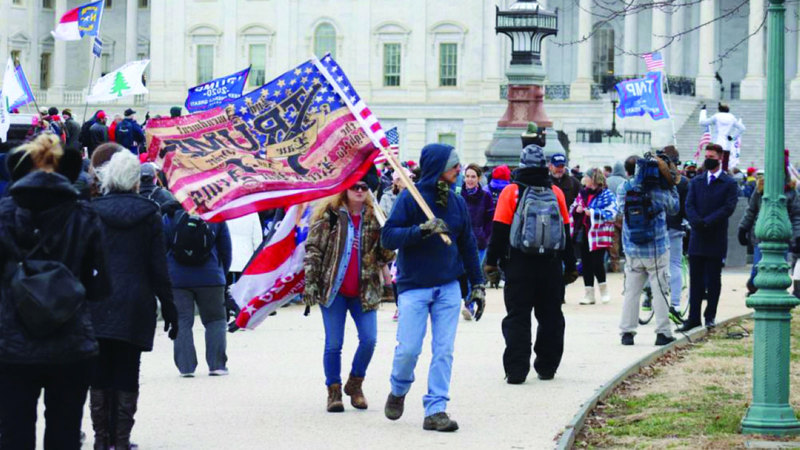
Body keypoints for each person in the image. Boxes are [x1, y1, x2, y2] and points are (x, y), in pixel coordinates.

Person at [0, 134, 111, 450]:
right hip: (70, 340)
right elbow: (101, 287)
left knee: (13, 433)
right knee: (64, 432)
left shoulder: (3, 215)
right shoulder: (85, 215)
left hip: (12, 342)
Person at [382, 143, 485, 432]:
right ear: (438, 167)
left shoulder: (457, 202)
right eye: (454, 164)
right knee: (409, 350)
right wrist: (421, 231)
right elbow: (388, 237)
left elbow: (467, 245)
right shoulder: (410, 199)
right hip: (414, 286)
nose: (459, 169)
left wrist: (477, 284)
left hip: (448, 287)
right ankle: (399, 388)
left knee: (444, 350)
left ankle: (436, 409)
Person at [90, 150, 179, 450]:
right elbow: (158, 267)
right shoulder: (149, 212)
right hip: (136, 301)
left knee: (100, 371)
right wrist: (170, 308)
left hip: (98, 300)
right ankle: (121, 439)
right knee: (128, 369)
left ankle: (102, 440)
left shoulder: (93, 210)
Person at [484, 144, 577, 383]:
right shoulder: (555, 192)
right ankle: (547, 367)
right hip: (551, 264)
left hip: (519, 264)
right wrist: (570, 266)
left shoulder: (511, 192)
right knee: (551, 317)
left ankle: (516, 370)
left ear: (521, 164)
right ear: (544, 165)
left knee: (517, 317)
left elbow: (499, 232)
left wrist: (491, 264)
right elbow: (566, 231)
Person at [303, 176, 395, 413]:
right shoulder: (331, 215)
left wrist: (389, 235)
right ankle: (333, 390)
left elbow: (385, 256)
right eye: (355, 186)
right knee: (334, 344)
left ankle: (355, 383)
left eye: (364, 187)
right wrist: (311, 283)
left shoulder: (375, 218)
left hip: (364, 291)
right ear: (344, 189)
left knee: (369, 339)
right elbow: (314, 249)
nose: (360, 190)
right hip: (333, 290)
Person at [617, 154, 679, 346]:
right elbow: (674, 208)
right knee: (660, 290)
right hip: (657, 248)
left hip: (632, 247)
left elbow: (620, 210)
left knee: (631, 291)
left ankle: (627, 332)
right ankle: (663, 332)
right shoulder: (660, 190)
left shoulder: (625, 187)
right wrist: (671, 185)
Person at [164, 204, 233, 377]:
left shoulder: (169, 216)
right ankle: (217, 365)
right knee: (215, 320)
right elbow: (226, 249)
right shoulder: (215, 214)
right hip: (210, 277)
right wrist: (221, 274)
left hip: (178, 278)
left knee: (181, 321)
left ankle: (186, 367)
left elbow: (161, 248)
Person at [679, 144, 739, 331]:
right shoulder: (696, 181)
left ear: (720, 158)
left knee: (713, 279)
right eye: (706, 155)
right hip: (697, 235)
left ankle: (710, 315)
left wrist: (708, 221)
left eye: (712, 155)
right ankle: (693, 317)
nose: (708, 158)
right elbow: (689, 204)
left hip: (715, 236)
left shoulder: (729, 183)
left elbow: (728, 208)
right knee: (695, 279)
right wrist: (696, 221)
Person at [738, 150, 800, 295]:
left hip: (782, 237)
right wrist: (743, 228)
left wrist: (797, 235)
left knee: (777, 269)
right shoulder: (761, 188)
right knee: (758, 268)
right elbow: (751, 210)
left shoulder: (791, 191)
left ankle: (769, 292)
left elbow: (797, 215)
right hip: (761, 236)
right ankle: (755, 285)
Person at [570, 168, 618, 304]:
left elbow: (612, 212)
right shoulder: (582, 193)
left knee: (597, 262)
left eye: (587, 176)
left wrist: (592, 212)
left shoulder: (606, 194)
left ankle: (604, 290)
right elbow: (573, 207)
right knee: (585, 264)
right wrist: (577, 209)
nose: (584, 179)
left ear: (593, 179)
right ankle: (589, 294)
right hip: (584, 233)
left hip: (599, 234)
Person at [460, 163, 494, 320]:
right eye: (467, 176)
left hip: (479, 242)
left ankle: (469, 304)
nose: (470, 179)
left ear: (479, 178)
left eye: (473, 176)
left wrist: (485, 235)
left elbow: (490, 220)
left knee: (472, 272)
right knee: (461, 272)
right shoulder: (459, 195)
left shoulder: (486, 196)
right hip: (461, 241)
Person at [660, 147, 689, 310]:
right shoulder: (683, 182)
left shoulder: (654, 179)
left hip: (657, 226)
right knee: (675, 264)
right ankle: (675, 304)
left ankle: (649, 296)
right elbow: (685, 207)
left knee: (653, 265)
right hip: (675, 225)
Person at [699, 103, 745, 170]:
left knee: (712, 164)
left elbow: (702, 122)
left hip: (715, 144)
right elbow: (742, 128)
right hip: (727, 145)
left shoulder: (717, 116)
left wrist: (703, 111)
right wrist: (733, 137)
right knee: (724, 166)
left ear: (719, 109)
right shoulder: (732, 118)